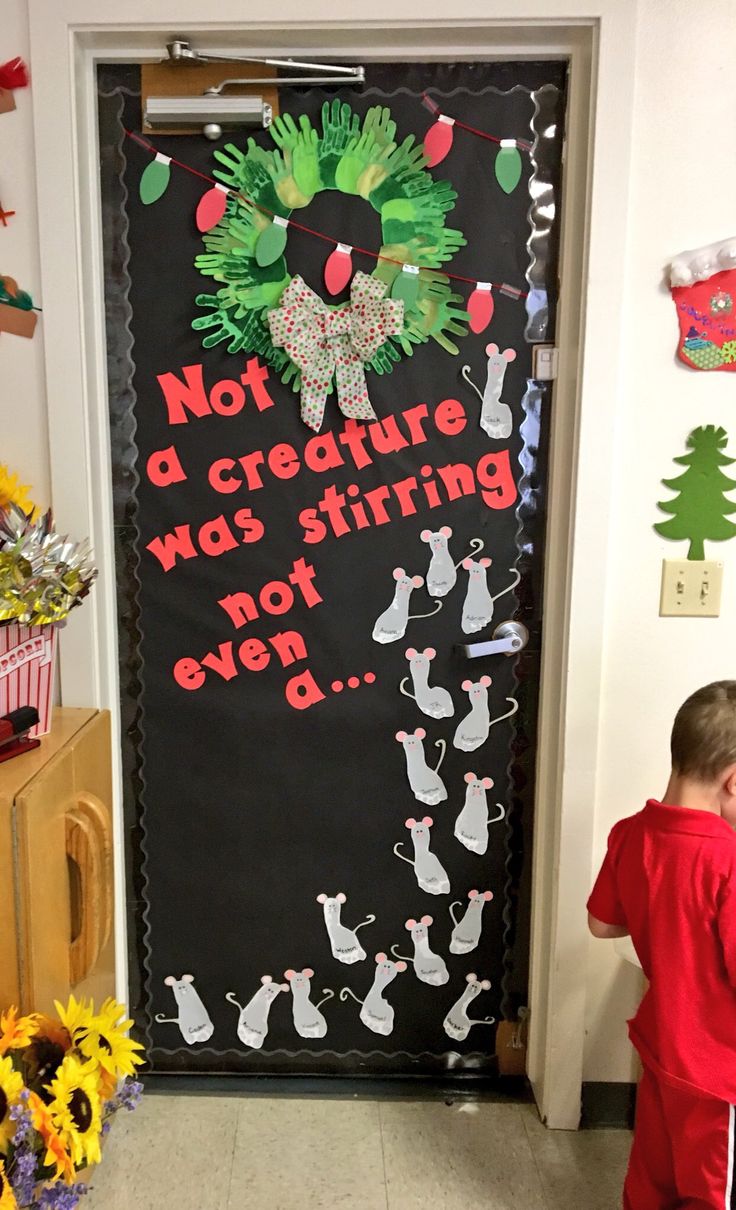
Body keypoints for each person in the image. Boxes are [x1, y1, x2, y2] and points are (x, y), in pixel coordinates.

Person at [587, 681, 736, 1209]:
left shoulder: (630, 833)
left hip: (661, 1051)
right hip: (719, 1074)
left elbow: (602, 926)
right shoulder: (728, 859)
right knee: (712, 1190)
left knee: (653, 1180)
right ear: (734, 781)